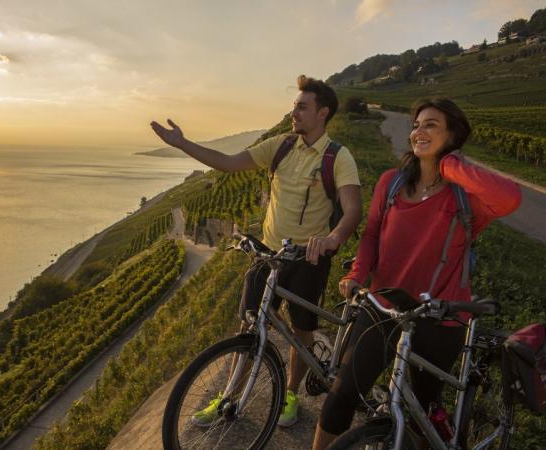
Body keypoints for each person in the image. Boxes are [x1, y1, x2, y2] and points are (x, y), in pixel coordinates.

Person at [151, 75, 362, 427]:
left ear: (322, 113)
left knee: (302, 331)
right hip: (268, 252)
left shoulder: (338, 157)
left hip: (308, 258)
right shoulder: (281, 146)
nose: (293, 112)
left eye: (301, 106)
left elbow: (352, 210)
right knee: (248, 323)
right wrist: (182, 144)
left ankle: (290, 395)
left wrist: (331, 240)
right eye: (294, 105)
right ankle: (228, 396)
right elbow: (229, 162)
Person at [312, 98, 522, 449]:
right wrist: (358, 274)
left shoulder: (466, 199)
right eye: (416, 124)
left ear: (452, 136)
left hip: (439, 318)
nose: (419, 131)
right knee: (342, 394)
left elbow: (511, 197)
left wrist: (450, 166)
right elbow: (373, 234)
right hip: (384, 305)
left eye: (431, 125)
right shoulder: (391, 183)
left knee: (422, 412)